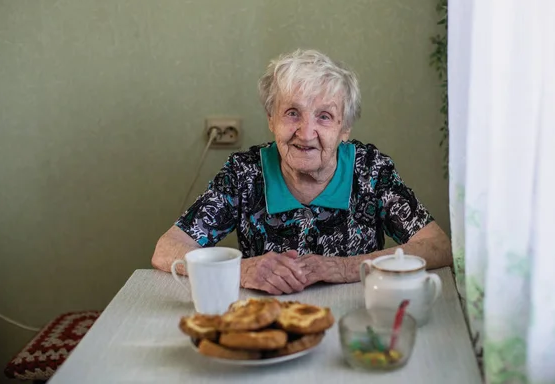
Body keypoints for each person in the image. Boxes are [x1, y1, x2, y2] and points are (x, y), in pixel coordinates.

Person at [152, 49, 452, 295]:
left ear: (344, 129)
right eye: (292, 113)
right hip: (263, 320)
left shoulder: (371, 171)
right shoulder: (244, 174)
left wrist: (344, 268)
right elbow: (167, 249)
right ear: (271, 119)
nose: (306, 133)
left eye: (324, 116)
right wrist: (241, 270)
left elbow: (438, 246)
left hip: (355, 316)